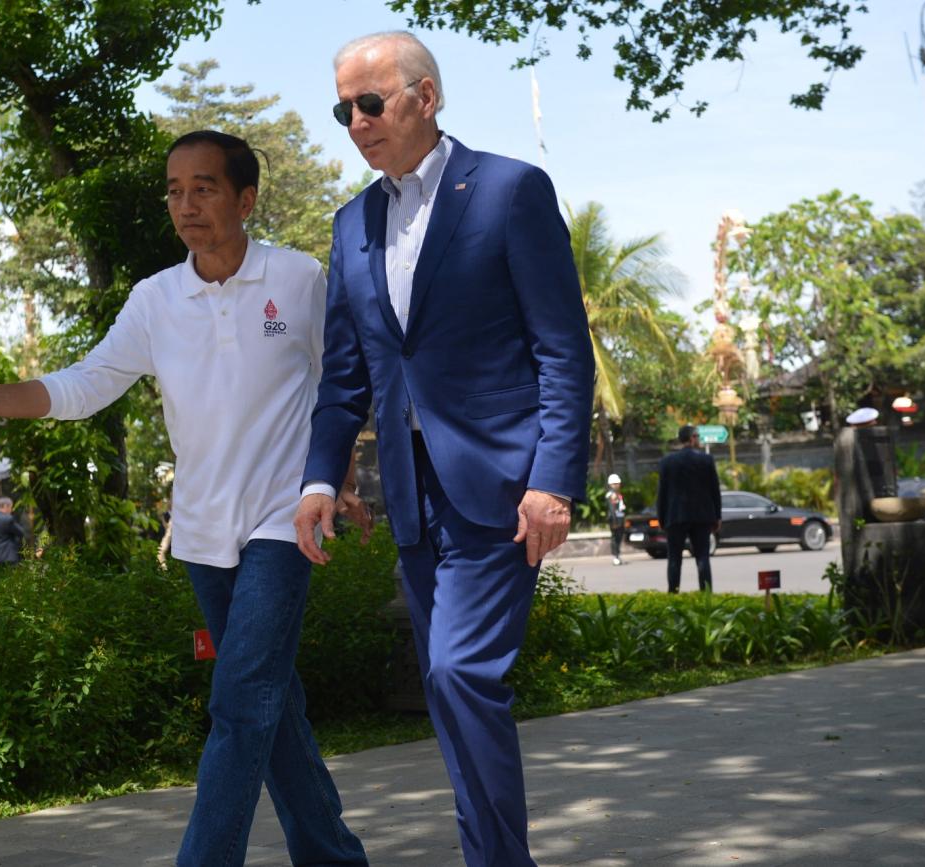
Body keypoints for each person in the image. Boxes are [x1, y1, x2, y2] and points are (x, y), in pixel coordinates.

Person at [0, 130, 368, 867]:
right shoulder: (156, 299)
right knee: (270, 702)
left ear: (246, 198)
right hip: (202, 531)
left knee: (239, 704)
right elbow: (88, 381)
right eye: (174, 190)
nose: (186, 204)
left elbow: (342, 387)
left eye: (204, 187)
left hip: (282, 521)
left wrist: (336, 481)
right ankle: (333, 857)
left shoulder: (296, 279)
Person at [294, 32, 594, 867]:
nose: (354, 123)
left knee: (462, 674)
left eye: (370, 103)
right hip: (412, 496)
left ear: (425, 98)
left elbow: (563, 350)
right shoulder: (352, 222)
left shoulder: (508, 190)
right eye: (342, 109)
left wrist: (554, 481)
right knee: (447, 687)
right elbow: (345, 380)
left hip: (502, 486)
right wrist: (323, 478)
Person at [656, 424, 722, 593]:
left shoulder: (667, 462)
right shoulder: (706, 460)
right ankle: (706, 595)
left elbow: (662, 493)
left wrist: (662, 518)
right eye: (697, 437)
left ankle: (673, 593)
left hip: (675, 516)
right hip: (702, 516)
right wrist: (717, 517)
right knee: (702, 558)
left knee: (674, 559)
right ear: (692, 438)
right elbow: (715, 490)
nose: (699, 440)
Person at [0, 496, 26, 570]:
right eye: (11, 507)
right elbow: (21, 532)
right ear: (5, 506)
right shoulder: (8, 519)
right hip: (8, 558)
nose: (11, 510)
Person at [605, 473, 627, 565]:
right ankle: (615, 556)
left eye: (618, 483)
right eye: (614, 483)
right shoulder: (611, 495)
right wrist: (614, 521)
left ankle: (617, 555)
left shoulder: (618, 494)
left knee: (619, 537)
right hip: (615, 519)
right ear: (610, 484)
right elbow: (612, 509)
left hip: (620, 518)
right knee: (615, 537)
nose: (617, 485)